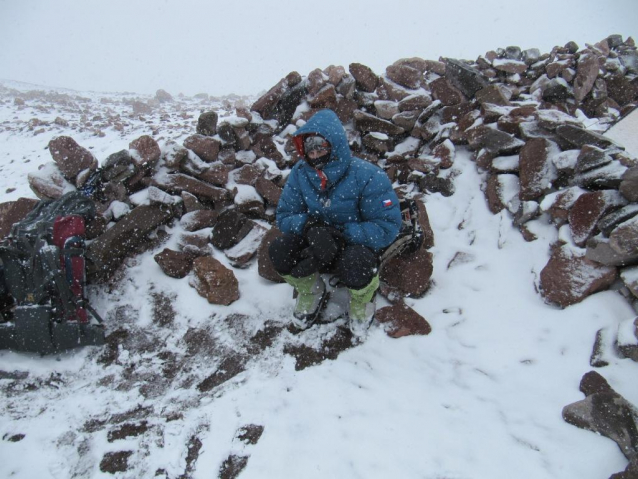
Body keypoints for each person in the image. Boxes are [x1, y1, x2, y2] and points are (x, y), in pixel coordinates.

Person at [269, 109, 402, 339]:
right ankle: (311, 291)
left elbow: (387, 226)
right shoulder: (300, 174)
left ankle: (362, 299)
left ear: (335, 143)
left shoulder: (367, 175)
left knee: (357, 263)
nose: (315, 151)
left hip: (353, 245)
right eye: (310, 146)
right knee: (280, 250)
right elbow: (285, 215)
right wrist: (309, 227)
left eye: (321, 144)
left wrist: (342, 234)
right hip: (316, 242)